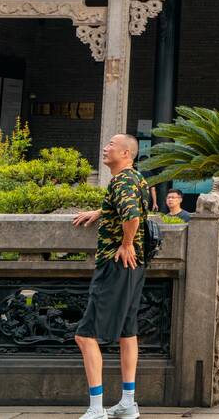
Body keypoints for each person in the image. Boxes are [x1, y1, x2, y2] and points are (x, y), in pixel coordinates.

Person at [71, 133, 150, 419]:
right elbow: (128, 210)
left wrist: (125, 243)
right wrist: (101, 212)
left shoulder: (122, 181)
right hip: (135, 266)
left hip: (115, 264)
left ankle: (96, 408)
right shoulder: (137, 179)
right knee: (128, 333)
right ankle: (128, 403)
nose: (105, 148)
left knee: (85, 335)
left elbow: (132, 216)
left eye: (112, 145)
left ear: (126, 153)